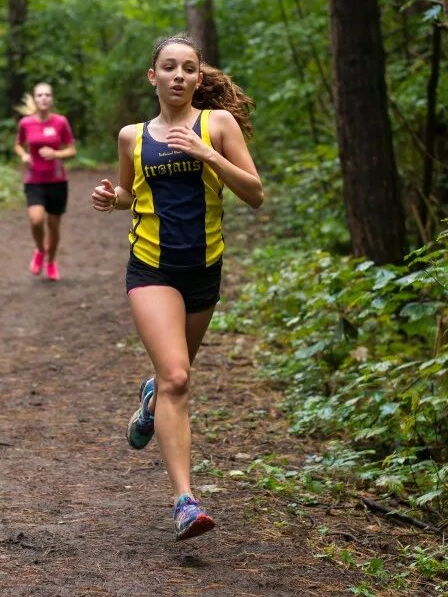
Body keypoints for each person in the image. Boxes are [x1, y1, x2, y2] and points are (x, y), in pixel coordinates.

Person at [91, 35, 264, 541]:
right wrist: (111, 197)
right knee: (177, 377)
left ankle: (149, 404)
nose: (179, 76)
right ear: (154, 76)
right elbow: (129, 192)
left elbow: (254, 194)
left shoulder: (219, 125)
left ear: (198, 77)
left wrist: (208, 154)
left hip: (203, 268)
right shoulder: (132, 136)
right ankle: (185, 501)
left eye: (189, 68)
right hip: (151, 269)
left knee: (172, 380)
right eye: (169, 68)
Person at [14, 82, 76, 281]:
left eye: (47, 95)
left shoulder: (60, 122)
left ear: (52, 99)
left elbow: (72, 150)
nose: (43, 98)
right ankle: (41, 250)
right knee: (36, 219)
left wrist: (56, 153)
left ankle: (51, 262)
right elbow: (18, 145)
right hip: (34, 180)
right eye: (39, 95)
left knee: (54, 225)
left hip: (57, 180)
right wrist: (23, 155)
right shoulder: (25, 123)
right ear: (35, 98)